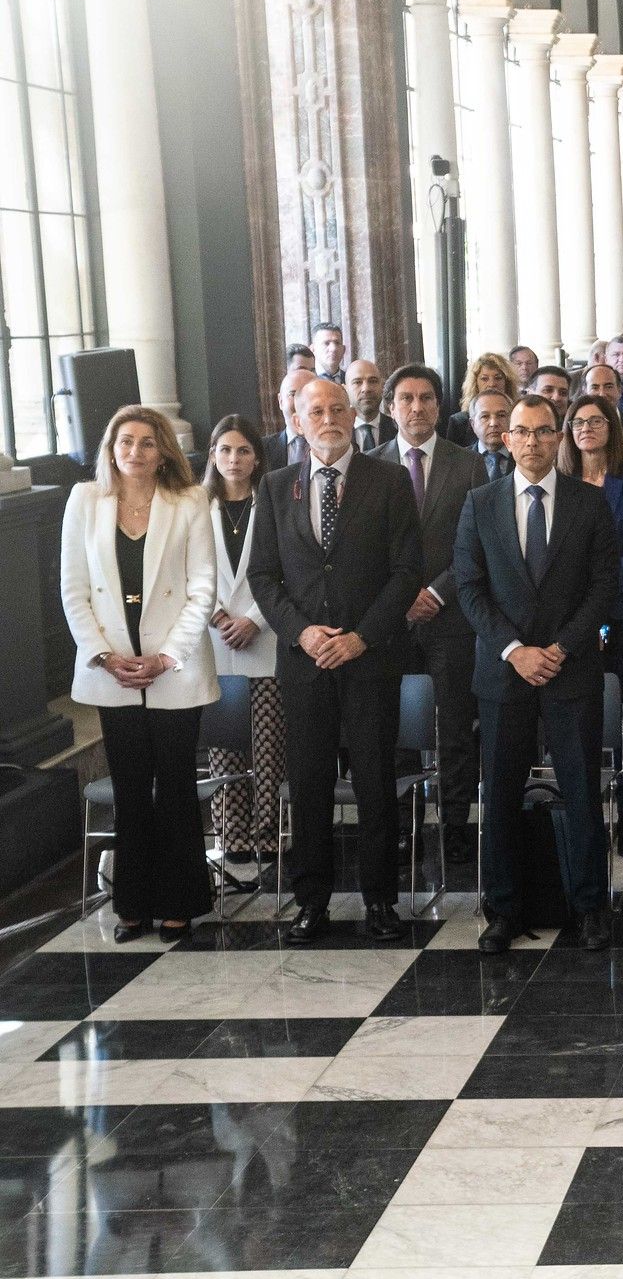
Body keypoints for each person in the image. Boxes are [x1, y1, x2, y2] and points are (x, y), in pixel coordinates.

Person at [248, 377, 423, 944]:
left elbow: (406, 572)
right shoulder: (274, 488)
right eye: (315, 410)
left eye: (337, 408)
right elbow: (263, 576)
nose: (328, 419)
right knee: (310, 782)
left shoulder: (390, 480)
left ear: (353, 414)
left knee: (375, 781)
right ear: (296, 421)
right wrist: (302, 634)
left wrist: (361, 637)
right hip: (304, 663)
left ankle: (380, 902)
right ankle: (311, 901)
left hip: (370, 659)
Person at [453, 393, 619, 954]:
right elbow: (469, 588)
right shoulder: (480, 502)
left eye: (543, 432)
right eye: (521, 432)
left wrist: (560, 647)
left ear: (560, 436)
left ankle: (592, 907)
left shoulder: (588, 503)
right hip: (503, 674)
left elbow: (603, 585)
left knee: (580, 791)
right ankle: (502, 910)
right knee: (499, 793)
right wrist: (514, 650)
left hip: (571, 671)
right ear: (505, 438)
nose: (531, 442)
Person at [61, 406, 220, 942]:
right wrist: (104, 655)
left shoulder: (190, 500)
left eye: (147, 443)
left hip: (174, 669)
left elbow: (202, 589)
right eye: (125, 441)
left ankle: (180, 903)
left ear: (163, 452)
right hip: (112, 669)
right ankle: (131, 906)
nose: (135, 451)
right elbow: (73, 590)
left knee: (175, 786)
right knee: (130, 788)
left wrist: (167, 656)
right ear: (110, 448)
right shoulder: (85, 500)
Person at [370, 365, 490, 860]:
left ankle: (456, 821)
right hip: (390, 622)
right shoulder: (371, 465)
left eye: (425, 399)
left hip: (451, 616)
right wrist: (400, 598)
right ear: (391, 407)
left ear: (440, 406)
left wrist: (436, 593)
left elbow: (476, 542)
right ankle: (405, 824)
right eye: (406, 399)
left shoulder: (468, 465)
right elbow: (365, 551)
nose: (416, 408)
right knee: (392, 725)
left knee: (455, 725)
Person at [560, 393, 623, 857]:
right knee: (582, 719)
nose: (586, 429)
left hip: (622, 614)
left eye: (595, 421)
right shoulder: (559, 481)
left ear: (611, 428)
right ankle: (585, 819)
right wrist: (582, 605)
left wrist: (600, 595)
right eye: (577, 422)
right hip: (573, 620)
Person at [202, 417, 284, 869]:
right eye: (225, 450)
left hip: (265, 636)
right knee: (224, 744)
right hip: (215, 640)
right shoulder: (197, 506)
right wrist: (217, 615)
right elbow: (190, 570)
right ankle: (231, 835)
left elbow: (285, 569)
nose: (234, 459)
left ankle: (269, 835)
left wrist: (252, 619)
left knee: (269, 744)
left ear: (257, 457)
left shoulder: (271, 501)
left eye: (243, 451)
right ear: (213, 455)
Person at [446, 352, 516, 448]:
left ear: (506, 382)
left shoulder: (518, 416)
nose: (492, 384)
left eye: (498, 378)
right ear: (475, 383)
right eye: (484, 379)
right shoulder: (459, 422)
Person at [471, 389, 514, 481]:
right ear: (473, 424)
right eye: (485, 416)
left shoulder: (523, 455)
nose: (493, 423)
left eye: (501, 415)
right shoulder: (459, 461)